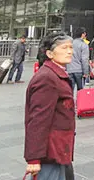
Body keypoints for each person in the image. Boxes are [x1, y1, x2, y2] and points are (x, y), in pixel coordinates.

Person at [24, 34, 75, 180]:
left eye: (71, 47)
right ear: (50, 53)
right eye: (64, 48)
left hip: (59, 148)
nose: (69, 51)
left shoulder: (55, 73)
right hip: (50, 152)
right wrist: (33, 158)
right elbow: (37, 120)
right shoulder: (47, 78)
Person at [66, 27, 90, 94]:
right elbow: (84, 60)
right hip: (79, 70)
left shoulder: (69, 44)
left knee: (70, 91)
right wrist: (86, 72)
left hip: (69, 69)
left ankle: (70, 104)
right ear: (83, 34)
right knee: (80, 91)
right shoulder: (84, 45)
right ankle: (79, 104)